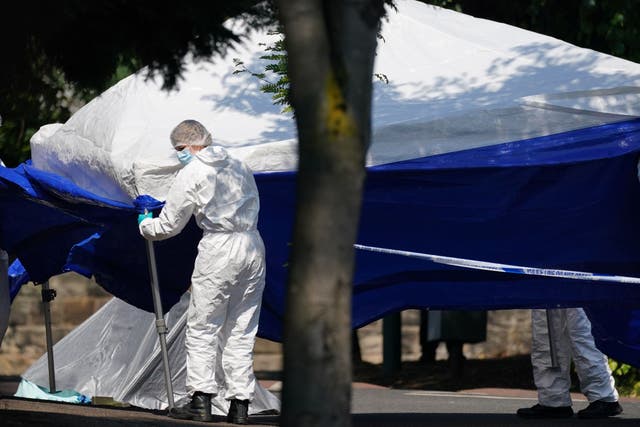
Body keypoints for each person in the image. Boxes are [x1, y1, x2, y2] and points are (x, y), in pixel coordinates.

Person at [138, 119, 265, 424]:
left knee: (204, 325)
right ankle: (240, 405)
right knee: (242, 328)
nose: (179, 155)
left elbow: (169, 225)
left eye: (179, 149)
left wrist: (145, 223)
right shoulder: (238, 164)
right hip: (252, 245)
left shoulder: (192, 172)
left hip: (219, 248)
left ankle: (201, 401)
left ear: (192, 144)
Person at [517, 308, 623, 419]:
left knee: (582, 331)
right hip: (545, 290)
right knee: (546, 334)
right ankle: (554, 400)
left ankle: (604, 398)